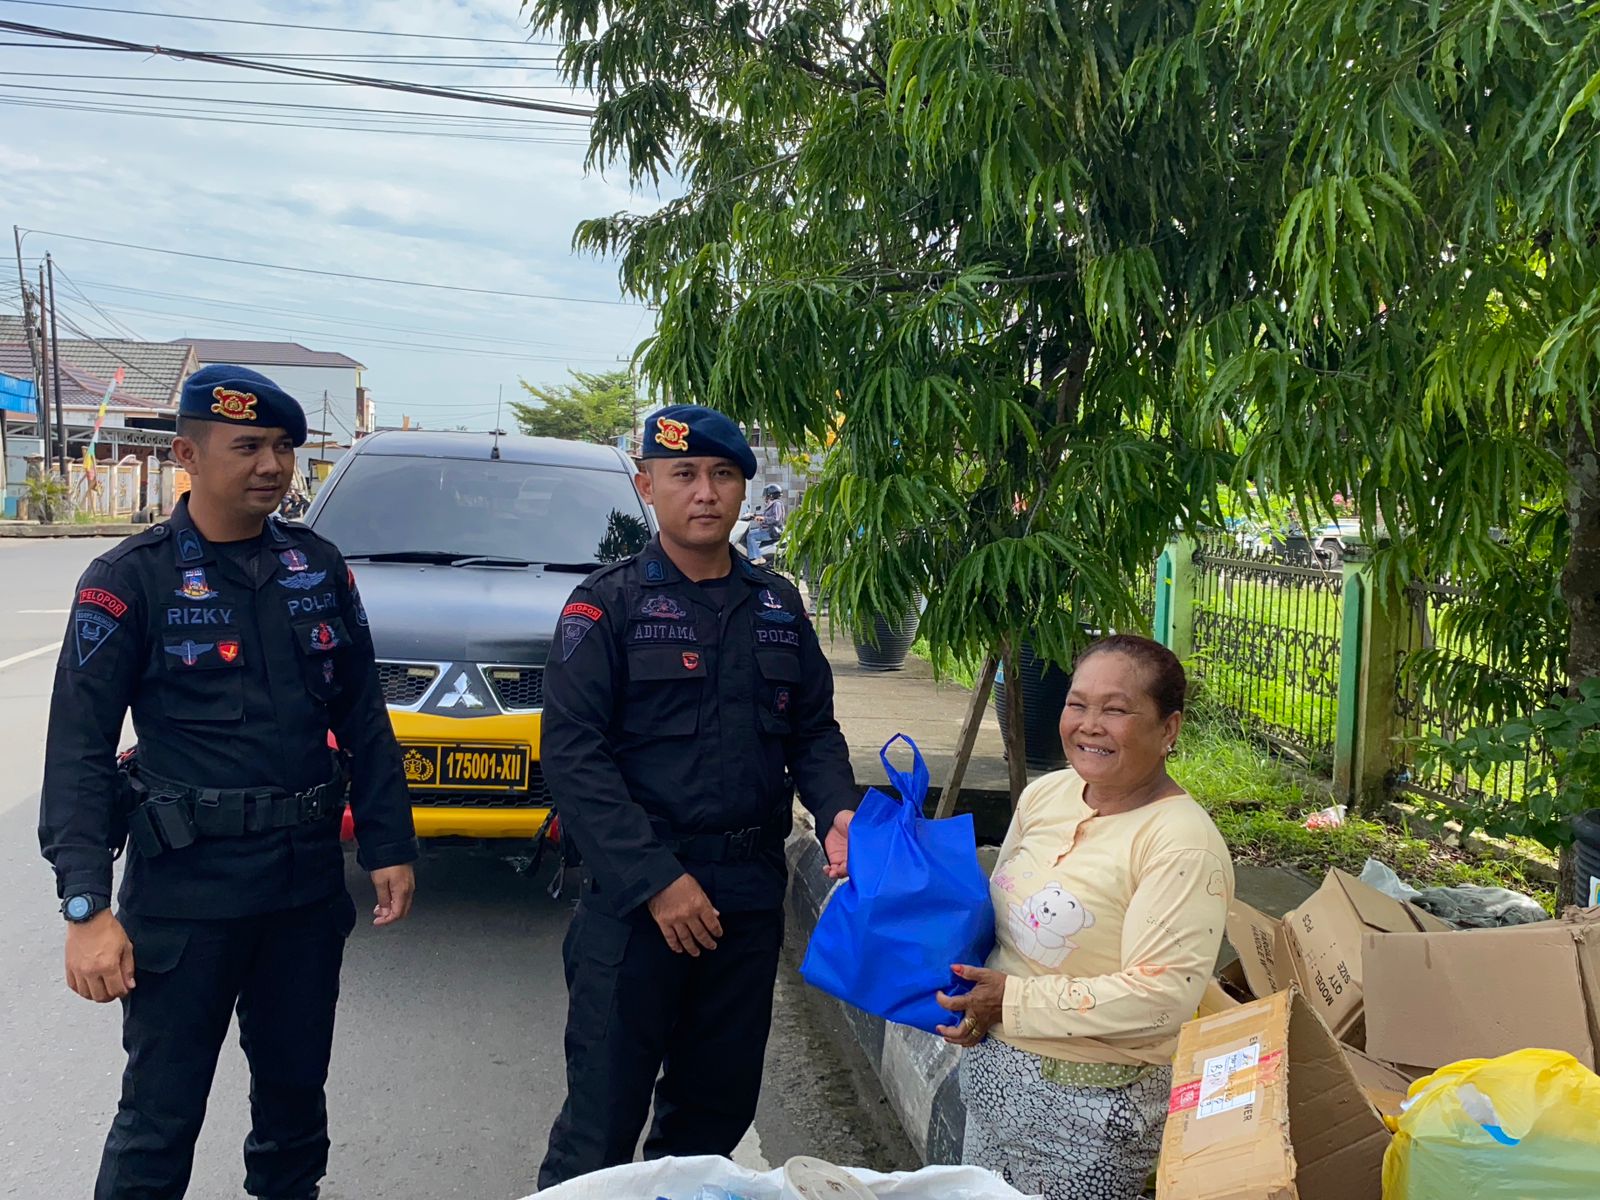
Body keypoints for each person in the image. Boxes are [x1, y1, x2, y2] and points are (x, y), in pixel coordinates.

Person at [40, 364, 418, 1200]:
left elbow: (363, 715)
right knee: (156, 1126)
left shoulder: (318, 568)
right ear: (187, 453)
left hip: (302, 895)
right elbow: (77, 752)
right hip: (185, 898)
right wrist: (85, 906)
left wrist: (390, 842)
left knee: (293, 1120)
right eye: (247, 446)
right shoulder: (127, 579)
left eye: (283, 447)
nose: (271, 466)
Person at [537, 404, 857, 1187]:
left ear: (744, 489)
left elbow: (812, 729)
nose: (706, 492)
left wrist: (841, 811)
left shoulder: (778, 607)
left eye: (723, 475)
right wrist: (656, 881)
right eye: (684, 475)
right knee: (599, 1128)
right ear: (648, 486)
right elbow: (574, 757)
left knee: (710, 1127)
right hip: (636, 906)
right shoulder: (606, 606)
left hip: (744, 903)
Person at [933, 635, 1234, 1200]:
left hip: (1091, 1108)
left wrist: (1012, 1001)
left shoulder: (1180, 845)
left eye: (1116, 709)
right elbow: (1001, 918)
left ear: (1168, 730)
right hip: (992, 1075)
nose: (1090, 724)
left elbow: (1163, 996)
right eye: (1078, 704)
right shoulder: (1047, 795)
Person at [743, 482, 786, 565]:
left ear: (771, 495)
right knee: (751, 533)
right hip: (767, 530)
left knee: (751, 536)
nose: (765, 496)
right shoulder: (772, 504)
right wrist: (753, 515)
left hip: (771, 531)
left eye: (766, 494)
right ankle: (754, 556)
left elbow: (776, 519)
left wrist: (764, 519)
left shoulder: (777, 504)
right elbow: (765, 515)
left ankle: (758, 558)